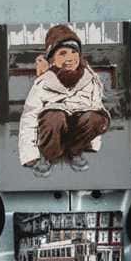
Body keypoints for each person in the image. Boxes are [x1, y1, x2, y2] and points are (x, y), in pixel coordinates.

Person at [16, 26, 109, 174]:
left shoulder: (89, 79)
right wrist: (29, 154)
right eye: (62, 53)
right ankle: (49, 156)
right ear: (52, 59)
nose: (70, 58)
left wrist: (93, 143)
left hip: (76, 130)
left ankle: (75, 151)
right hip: (53, 130)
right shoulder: (44, 83)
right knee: (54, 115)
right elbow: (29, 117)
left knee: (96, 117)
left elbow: (97, 106)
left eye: (74, 52)